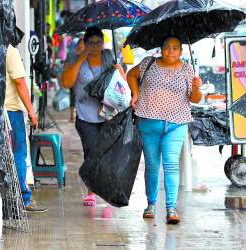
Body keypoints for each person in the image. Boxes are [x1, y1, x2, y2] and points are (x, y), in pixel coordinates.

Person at [127, 36, 203, 224]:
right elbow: (131, 75)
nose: (170, 51)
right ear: (160, 49)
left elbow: (195, 99)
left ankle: (171, 208)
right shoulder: (148, 63)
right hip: (148, 122)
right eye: (167, 47)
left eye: (175, 48)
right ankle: (151, 204)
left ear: (181, 52)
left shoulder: (187, 69)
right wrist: (136, 93)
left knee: (171, 165)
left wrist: (196, 88)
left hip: (176, 124)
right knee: (152, 165)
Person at [61, 26, 126, 206]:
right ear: (85, 42)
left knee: (108, 153)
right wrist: (83, 56)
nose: (95, 46)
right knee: (91, 153)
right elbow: (66, 82)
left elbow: (121, 86)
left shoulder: (109, 57)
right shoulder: (75, 58)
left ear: (103, 42)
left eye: (99, 42)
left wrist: (120, 72)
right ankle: (92, 191)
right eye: (91, 42)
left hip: (108, 114)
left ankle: (108, 189)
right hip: (85, 115)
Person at [5, 29, 49, 213]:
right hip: (12, 112)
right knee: (18, 155)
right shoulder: (11, 52)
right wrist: (32, 112)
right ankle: (23, 198)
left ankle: (11, 199)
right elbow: (21, 83)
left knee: (6, 157)